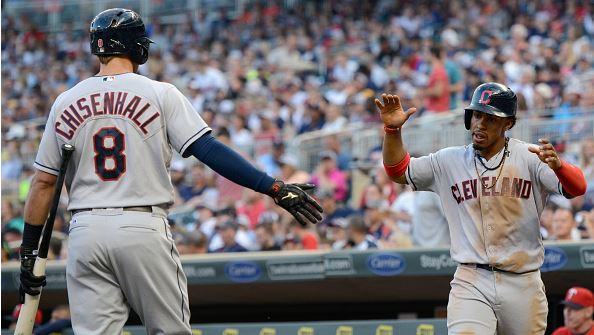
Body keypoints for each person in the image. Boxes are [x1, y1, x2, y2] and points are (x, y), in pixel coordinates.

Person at [19, 8, 323, 335]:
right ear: (136, 45)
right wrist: (272, 187)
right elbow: (207, 149)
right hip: (141, 223)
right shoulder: (158, 92)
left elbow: (43, 183)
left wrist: (28, 252)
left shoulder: (65, 101)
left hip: (84, 233)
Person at [376, 82, 587, 334]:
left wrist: (560, 167)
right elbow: (398, 171)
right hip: (471, 278)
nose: (480, 124)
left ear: (508, 123)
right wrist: (392, 130)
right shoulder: (448, 160)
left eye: (490, 119)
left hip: (523, 280)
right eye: (477, 115)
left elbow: (578, 188)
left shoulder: (531, 156)